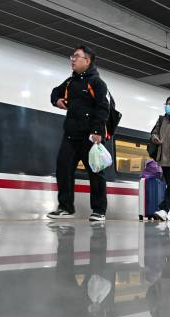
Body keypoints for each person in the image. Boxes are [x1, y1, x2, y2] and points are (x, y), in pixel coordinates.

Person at [48, 45, 110, 222]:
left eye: (76, 57)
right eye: (72, 57)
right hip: (70, 135)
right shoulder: (70, 82)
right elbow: (54, 92)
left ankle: (99, 210)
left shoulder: (97, 83)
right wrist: (56, 100)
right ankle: (65, 207)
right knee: (63, 169)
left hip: (90, 137)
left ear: (87, 61)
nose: (73, 60)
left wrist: (97, 131)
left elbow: (103, 108)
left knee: (96, 173)